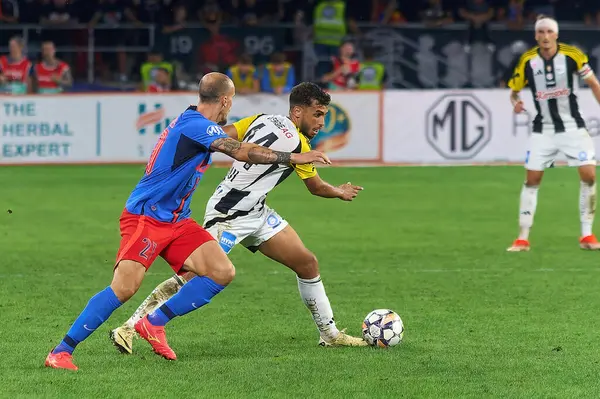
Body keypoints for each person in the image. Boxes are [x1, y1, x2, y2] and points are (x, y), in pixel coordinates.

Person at [44, 73, 330, 371]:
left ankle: (153, 323)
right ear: (225, 100)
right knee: (124, 288)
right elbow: (243, 151)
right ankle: (61, 351)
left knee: (221, 271)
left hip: (177, 220)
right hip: (148, 217)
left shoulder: (196, 123)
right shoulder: (196, 126)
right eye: (230, 101)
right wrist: (293, 156)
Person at [109, 83, 366, 353]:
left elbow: (220, 135)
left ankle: (330, 334)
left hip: (256, 211)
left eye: (324, 115)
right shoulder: (298, 144)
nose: (321, 122)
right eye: (317, 114)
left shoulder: (262, 119)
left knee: (307, 263)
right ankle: (130, 327)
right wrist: (339, 192)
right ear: (298, 111)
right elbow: (316, 187)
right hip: (228, 214)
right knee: (192, 275)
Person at [507, 16, 600, 252]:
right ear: (536, 36)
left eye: (549, 31)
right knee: (532, 180)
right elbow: (514, 91)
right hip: (543, 129)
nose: (545, 36)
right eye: (541, 32)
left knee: (589, 175)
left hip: (573, 127)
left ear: (556, 35)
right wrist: (515, 102)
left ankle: (587, 235)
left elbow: (593, 84)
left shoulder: (572, 55)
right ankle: (522, 237)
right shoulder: (528, 60)